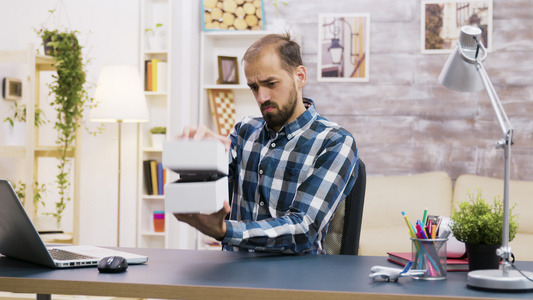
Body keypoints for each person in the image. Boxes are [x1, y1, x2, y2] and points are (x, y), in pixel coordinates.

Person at [176, 33, 359, 254]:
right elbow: (213, 177)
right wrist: (202, 152)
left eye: (271, 83)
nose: (261, 97)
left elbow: (303, 228)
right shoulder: (244, 130)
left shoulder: (335, 142)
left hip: (293, 280)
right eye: (254, 87)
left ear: (299, 77)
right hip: (234, 273)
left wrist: (225, 231)